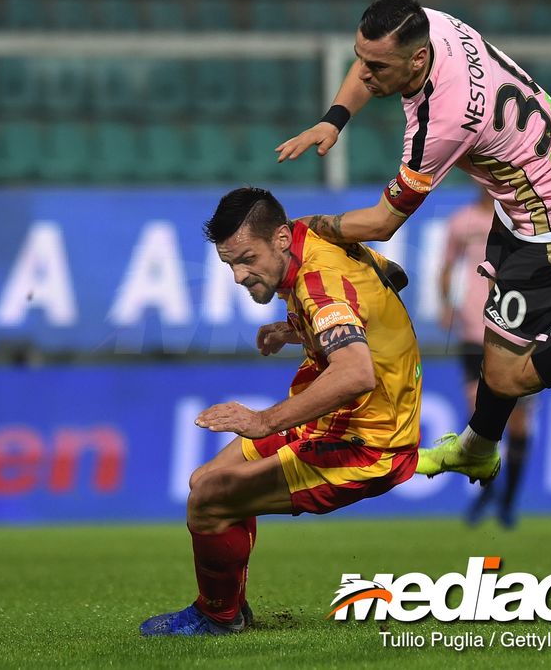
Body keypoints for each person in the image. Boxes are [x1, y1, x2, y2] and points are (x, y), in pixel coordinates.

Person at [275, 0, 551, 486]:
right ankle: (478, 450)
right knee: (496, 345)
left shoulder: (443, 122)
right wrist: (334, 119)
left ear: (418, 59)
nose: (363, 73)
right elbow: (368, 66)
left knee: (508, 373)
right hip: (532, 188)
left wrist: (309, 228)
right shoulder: (432, 24)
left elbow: (381, 224)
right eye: (360, 57)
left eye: (377, 66)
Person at [140, 187, 420, 636]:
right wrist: (298, 329)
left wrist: (262, 420)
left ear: (281, 238)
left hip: (367, 444)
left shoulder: (317, 283)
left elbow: (355, 373)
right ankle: (232, 609)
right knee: (203, 482)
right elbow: (393, 275)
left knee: (208, 503)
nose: (238, 275)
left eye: (247, 259)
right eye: (231, 264)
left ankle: (218, 616)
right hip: (334, 422)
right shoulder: (314, 238)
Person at [439, 190, 531, 529]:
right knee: (481, 416)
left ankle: (506, 502)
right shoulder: (461, 222)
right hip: (473, 331)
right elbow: (447, 266)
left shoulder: (523, 218)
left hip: (516, 330)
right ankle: (490, 491)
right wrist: (446, 303)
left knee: (519, 423)